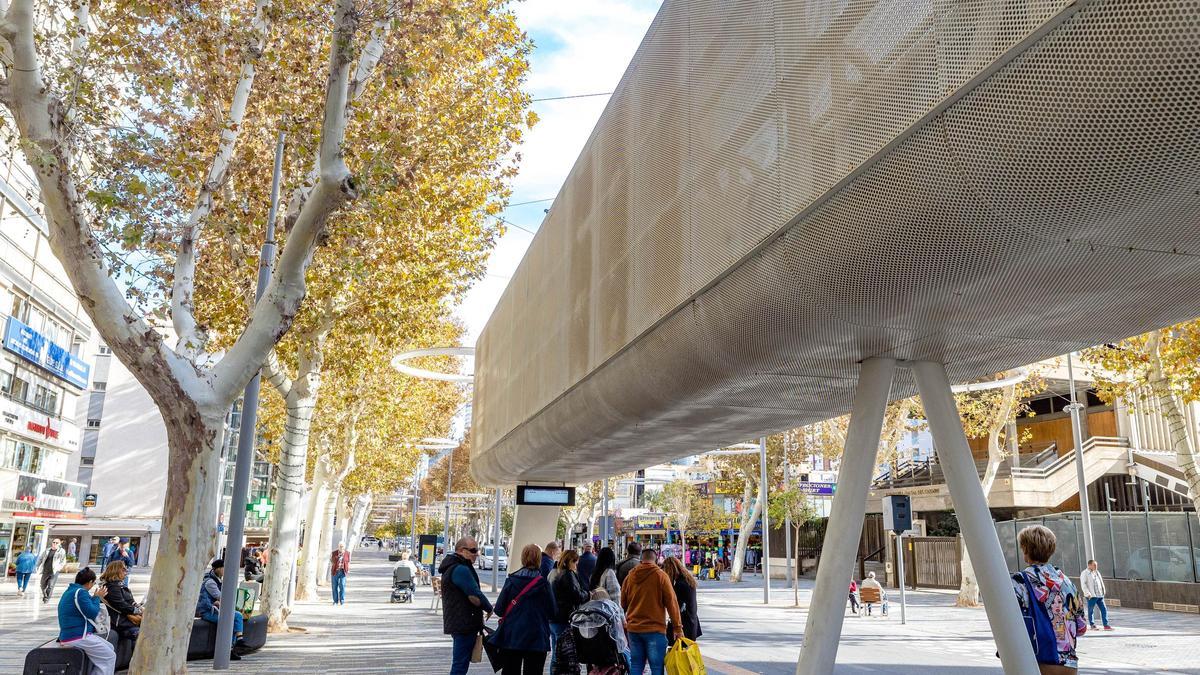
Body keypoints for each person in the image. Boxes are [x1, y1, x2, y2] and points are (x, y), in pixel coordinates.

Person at [1012, 525, 1087, 674]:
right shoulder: (1067, 583)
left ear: (1025, 549)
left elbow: (1009, 622)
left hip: (1039, 661)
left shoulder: (1019, 582)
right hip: (1069, 665)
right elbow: (1081, 627)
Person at [491, 543, 556, 675]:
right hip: (537, 637)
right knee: (534, 671)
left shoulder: (511, 581)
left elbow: (498, 610)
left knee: (510, 670)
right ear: (539, 559)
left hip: (512, 637)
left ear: (523, 558)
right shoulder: (543, 584)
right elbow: (553, 612)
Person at [621, 548, 683, 675]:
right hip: (655, 629)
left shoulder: (630, 576)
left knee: (636, 665)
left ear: (641, 560)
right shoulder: (661, 576)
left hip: (634, 629)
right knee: (656, 667)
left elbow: (623, 603)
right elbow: (672, 603)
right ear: (655, 560)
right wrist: (677, 628)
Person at [440, 537, 494, 675]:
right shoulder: (460, 569)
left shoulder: (452, 566)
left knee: (460, 662)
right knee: (460, 664)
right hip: (464, 622)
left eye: (477, 550)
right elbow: (474, 593)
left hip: (459, 621)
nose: (476, 553)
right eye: (473, 550)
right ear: (461, 551)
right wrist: (489, 607)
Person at [57, 567, 115, 675]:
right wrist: (97, 597)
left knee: (109, 647)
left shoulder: (71, 591)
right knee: (109, 656)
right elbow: (92, 613)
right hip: (77, 636)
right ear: (90, 582)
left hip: (70, 635)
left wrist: (94, 598)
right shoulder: (81, 592)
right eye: (93, 583)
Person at [195, 559, 249, 659]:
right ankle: (235, 643)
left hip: (214, 610)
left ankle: (234, 646)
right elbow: (222, 597)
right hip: (207, 612)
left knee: (235, 617)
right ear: (218, 569)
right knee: (234, 617)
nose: (225, 570)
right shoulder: (210, 582)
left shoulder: (217, 580)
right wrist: (217, 601)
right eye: (224, 568)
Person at [549, 549, 589, 672]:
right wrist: (588, 594)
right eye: (575, 562)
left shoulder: (556, 573)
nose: (576, 565)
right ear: (569, 561)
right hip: (564, 618)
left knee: (556, 652)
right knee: (562, 654)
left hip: (554, 618)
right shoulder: (568, 575)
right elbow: (576, 595)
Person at [580, 588, 631, 667]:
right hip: (610, 655)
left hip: (590, 656)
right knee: (627, 653)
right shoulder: (609, 618)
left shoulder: (587, 621)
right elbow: (620, 642)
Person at [661, 556, 702, 641]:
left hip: (684, 623)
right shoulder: (687, 580)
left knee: (677, 651)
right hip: (692, 620)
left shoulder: (680, 584)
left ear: (670, 569)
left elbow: (675, 606)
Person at [98, 561, 141, 640]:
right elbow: (122, 605)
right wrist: (139, 611)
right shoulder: (111, 587)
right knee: (143, 636)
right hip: (121, 624)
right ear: (116, 571)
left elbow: (131, 601)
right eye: (123, 569)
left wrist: (140, 608)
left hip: (126, 622)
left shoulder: (120, 585)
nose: (126, 571)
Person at [1079, 559, 1113, 631]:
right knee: (1091, 610)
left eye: (1096, 565)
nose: (1096, 566)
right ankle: (1092, 624)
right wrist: (1088, 594)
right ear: (1089, 565)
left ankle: (1106, 625)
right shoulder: (1084, 573)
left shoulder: (1097, 572)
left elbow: (1100, 582)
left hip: (1100, 595)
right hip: (1092, 595)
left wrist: (1103, 591)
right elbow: (1083, 584)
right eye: (1094, 565)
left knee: (1104, 609)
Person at [37, 538, 67, 603]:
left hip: (54, 571)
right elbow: (41, 558)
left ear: (59, 544)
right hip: (45, 571)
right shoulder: (47, 550)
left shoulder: (61, 551)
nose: (55, 544)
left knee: (50, 585)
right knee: (42, 585)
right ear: (52, 543)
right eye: (54, 542)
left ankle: (47, 598)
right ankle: (45, 595)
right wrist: (37, 566)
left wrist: (58, 568)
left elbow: (63, 562)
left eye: (57, 543)